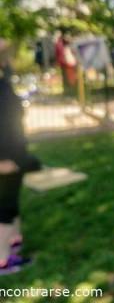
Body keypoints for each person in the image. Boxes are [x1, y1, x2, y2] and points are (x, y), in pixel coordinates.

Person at [0, 39, 41, 275]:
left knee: (11, 203)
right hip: (5, 159)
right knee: (4, 208)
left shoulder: (3, 81)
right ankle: (3, 261)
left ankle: (13, 242)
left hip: (15, 156)